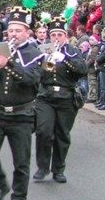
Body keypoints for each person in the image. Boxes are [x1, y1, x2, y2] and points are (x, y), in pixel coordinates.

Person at [0, 5, 43, 200]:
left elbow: (31, 80)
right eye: (11, 30)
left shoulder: (34, 53)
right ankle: (0, 184)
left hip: (22, 116)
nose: (13, 34)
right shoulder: (2, 48)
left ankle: (18, 198)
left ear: (27, 32)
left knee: (21, 161)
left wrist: (9, 63)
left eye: (18, 30)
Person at [34, 16, 88, 183]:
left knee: (62, 134)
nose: (56, 38)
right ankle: (42, 167)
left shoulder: (73, 50)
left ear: (65, 35)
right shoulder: (43, 50)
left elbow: (82, 70)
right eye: (53, 35)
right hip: (46, 96)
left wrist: (65, 59)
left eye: (59, 34)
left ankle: (58, 169)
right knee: (43, 131)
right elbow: (36, 73)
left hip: (66, 96)